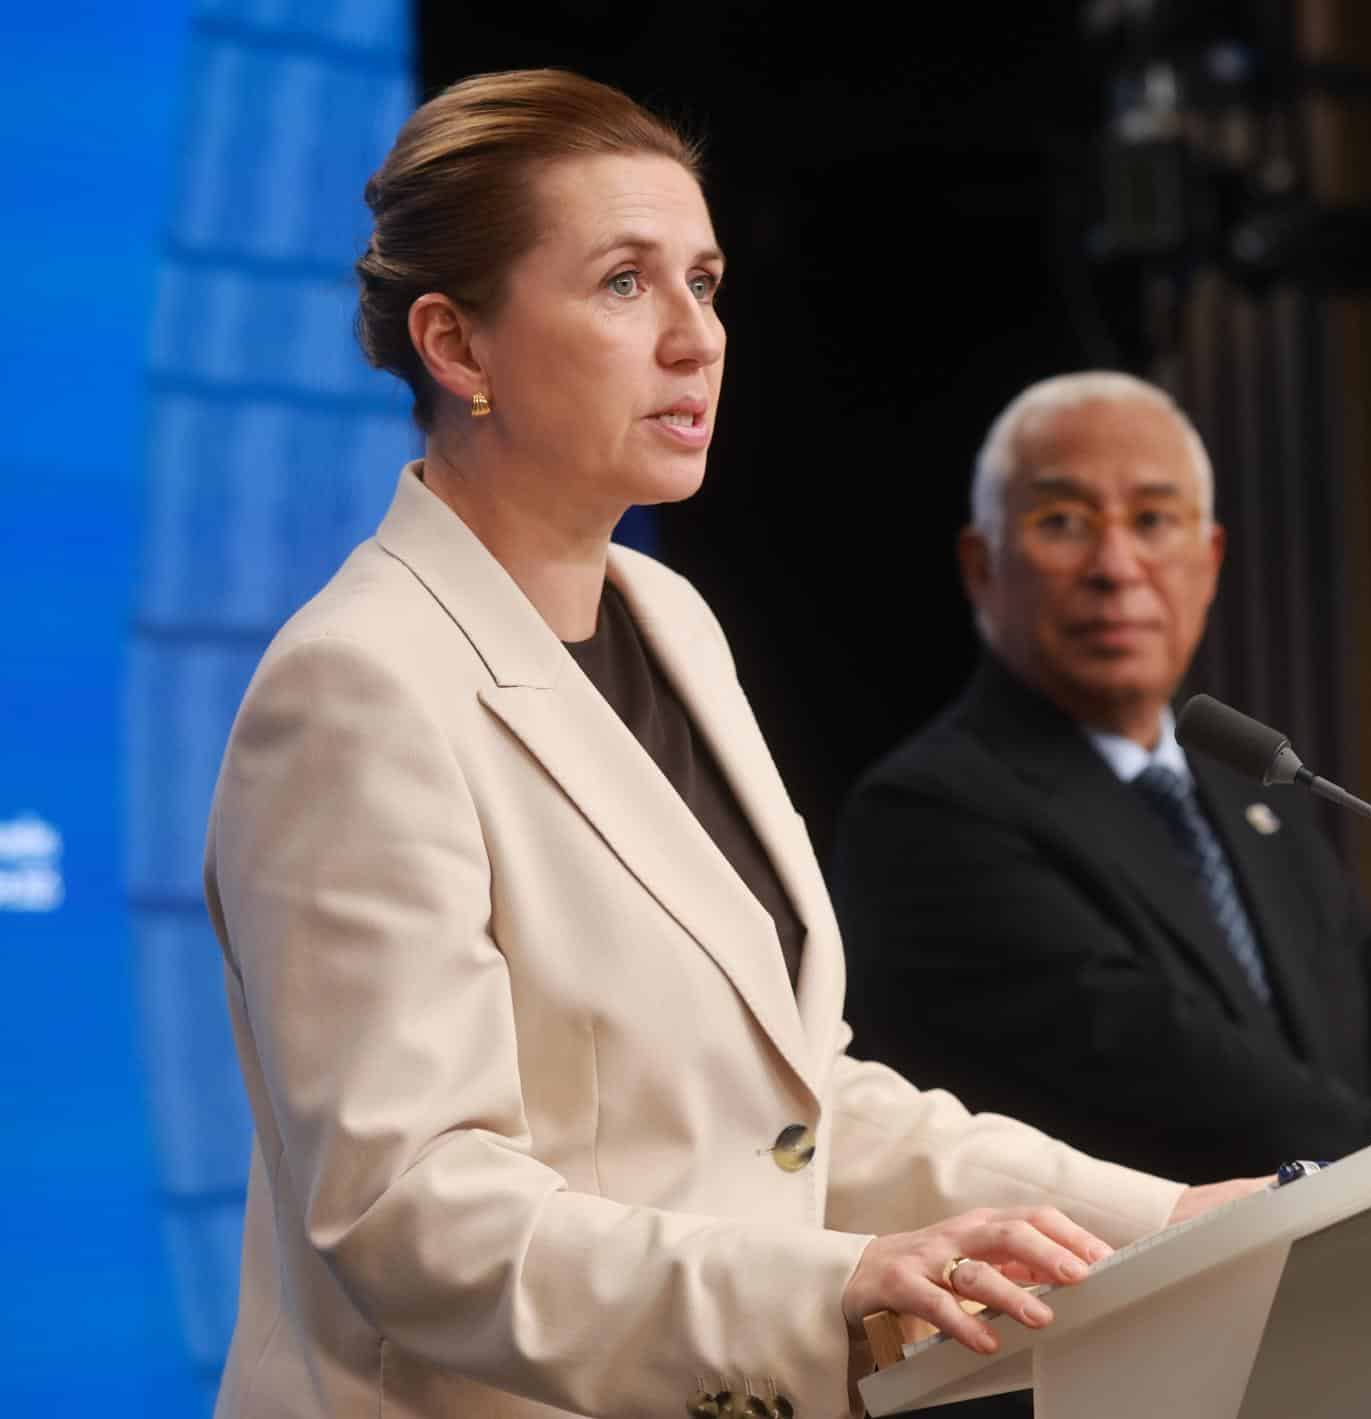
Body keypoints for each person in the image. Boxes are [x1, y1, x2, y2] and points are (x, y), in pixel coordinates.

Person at [202, 72, 1266, 1419]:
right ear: (456, 348)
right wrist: (830, 1283)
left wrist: (1169, 1220)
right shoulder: (357, 686)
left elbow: (800, 1102)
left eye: (704, 281)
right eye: (623, 284)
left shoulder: (672, 620)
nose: (696, 338)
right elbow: (413, 1207)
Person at [832, 371, 1371, 1190]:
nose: (1116, 565)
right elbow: (1174, 1078)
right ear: (982, 564)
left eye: (1155, 520)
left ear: (1209, 560)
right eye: (1063, 521)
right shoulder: (928, 814)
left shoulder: (1248, 787)